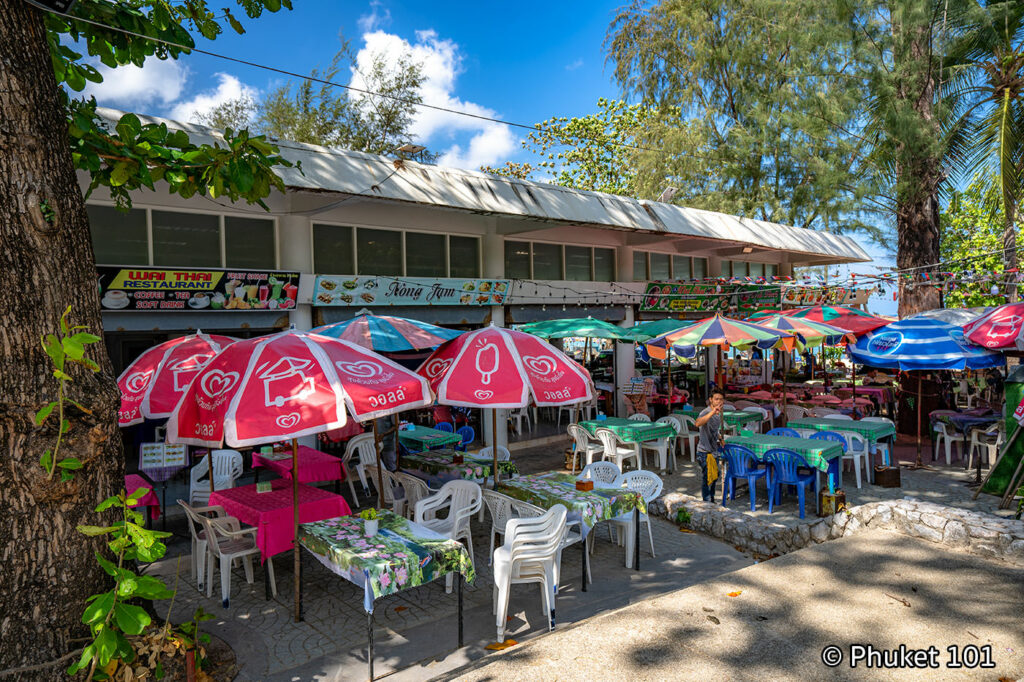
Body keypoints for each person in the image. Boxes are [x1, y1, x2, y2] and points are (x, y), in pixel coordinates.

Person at [695, 388, 726, 502]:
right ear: (711, 400)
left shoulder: (718, 413)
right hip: (704, 452)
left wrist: (720, 438)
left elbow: (714, 429)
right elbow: (697, 423)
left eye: (721, 399)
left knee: (715, 476)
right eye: (716, 399)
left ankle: (711, 500)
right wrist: (713, 412)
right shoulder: (706, 412)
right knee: (708, 478)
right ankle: (707, 502)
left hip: (713, 451)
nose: (719, 401)